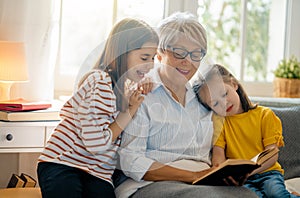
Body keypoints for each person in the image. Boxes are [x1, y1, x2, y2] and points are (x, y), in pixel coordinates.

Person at [115, 12, 257, 198]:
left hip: (204, 180)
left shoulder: (202, 97)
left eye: (196, 54)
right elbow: (130, 160)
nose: (187, 61)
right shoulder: (142, 94)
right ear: (159, 54)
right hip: (152, 183)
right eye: (179, 52)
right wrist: (192, 176)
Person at [37, 18, 159, 198]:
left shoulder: (126, 88)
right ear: (122, 53)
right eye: (144, 58)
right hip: (64, 163)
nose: (151, 65)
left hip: (98, 173)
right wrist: (130, 111)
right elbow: (97, 143)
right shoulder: (100, 82)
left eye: (153, 58)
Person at [193, 64, 300, 197]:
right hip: (241, 181)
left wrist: (250, 172)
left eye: (224, 94)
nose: (224, 103)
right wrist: (222, 173)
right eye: (215, 103)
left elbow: (272, 155)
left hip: (268, 173)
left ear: (234, 84)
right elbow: (218, 155)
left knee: (276, 194)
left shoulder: (265, 115)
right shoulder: (220, 123)